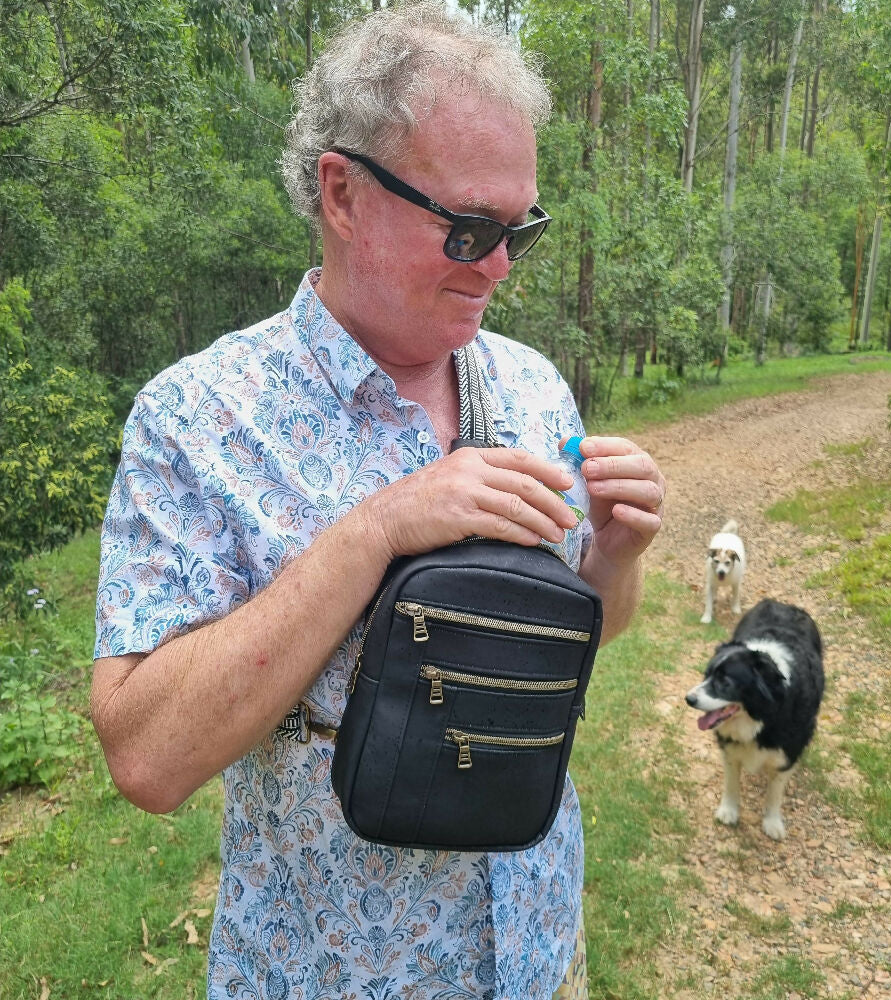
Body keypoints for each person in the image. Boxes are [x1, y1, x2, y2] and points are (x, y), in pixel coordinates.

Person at [90, 4, 666, 998]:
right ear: (344, 192)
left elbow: (587, 633)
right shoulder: (196, 417)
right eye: (467, 228)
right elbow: (145, 755)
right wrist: (376, 531)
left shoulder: (533, 387)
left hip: (536, 952)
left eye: (517, 229)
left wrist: (613, 560)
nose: (496, 266)